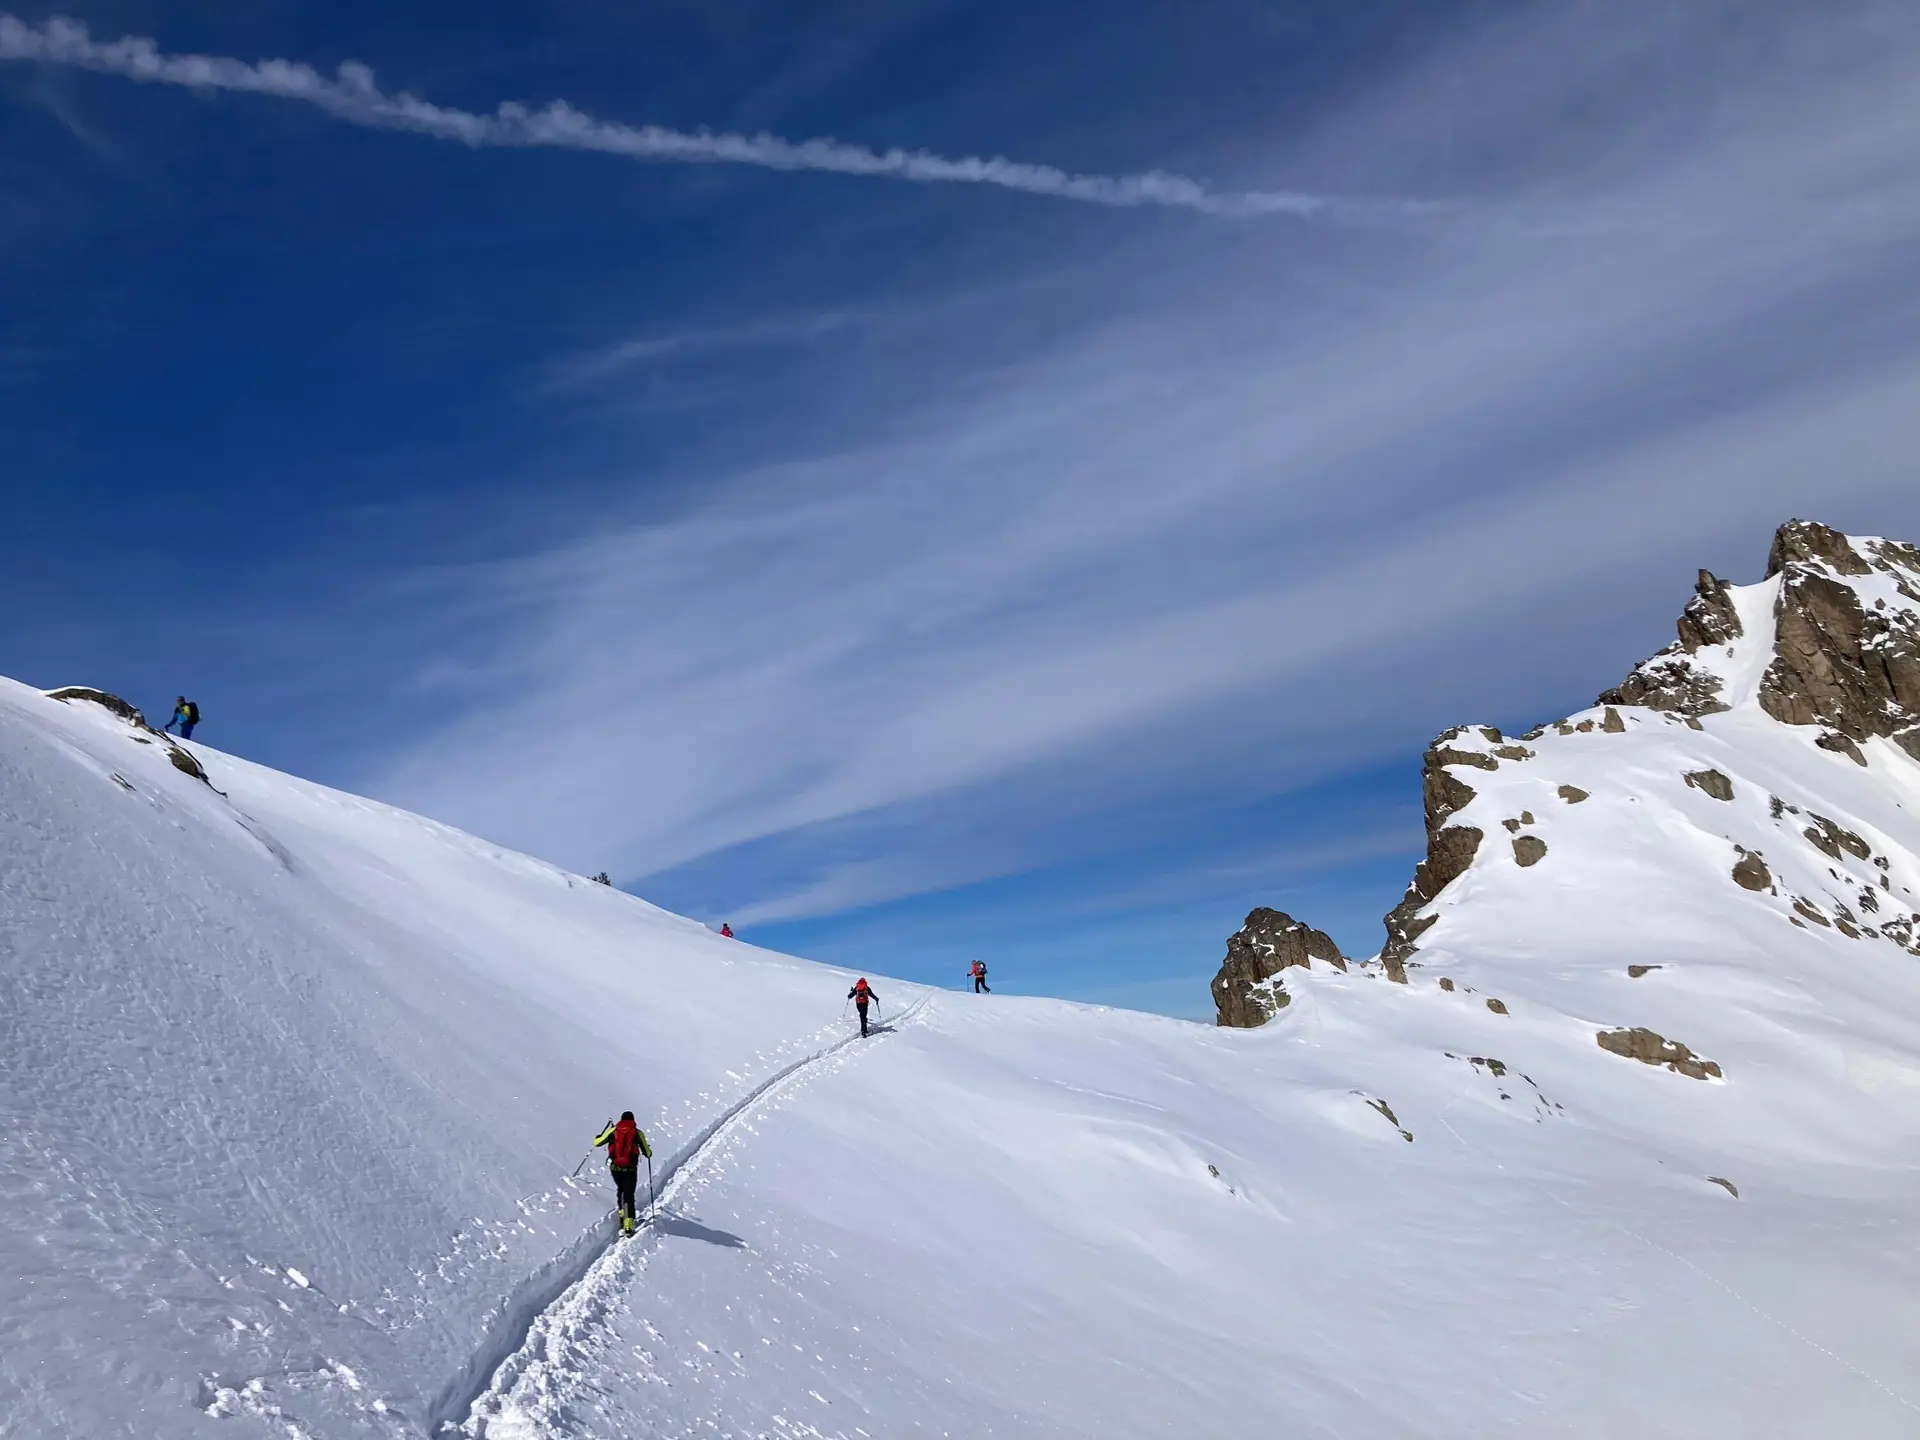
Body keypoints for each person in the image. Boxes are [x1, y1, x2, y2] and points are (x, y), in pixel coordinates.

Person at [592, 1110, 653, 1235]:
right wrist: (648, 1151)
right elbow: (647, 1153)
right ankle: (628, 1223)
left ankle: (621, 1213)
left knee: (621, 1189)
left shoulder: (614, 1130)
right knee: (629, 1194)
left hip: (615, 1168)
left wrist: (598, 1137)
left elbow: (597, 1143)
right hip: (630, 1169)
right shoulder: (637, 1133)